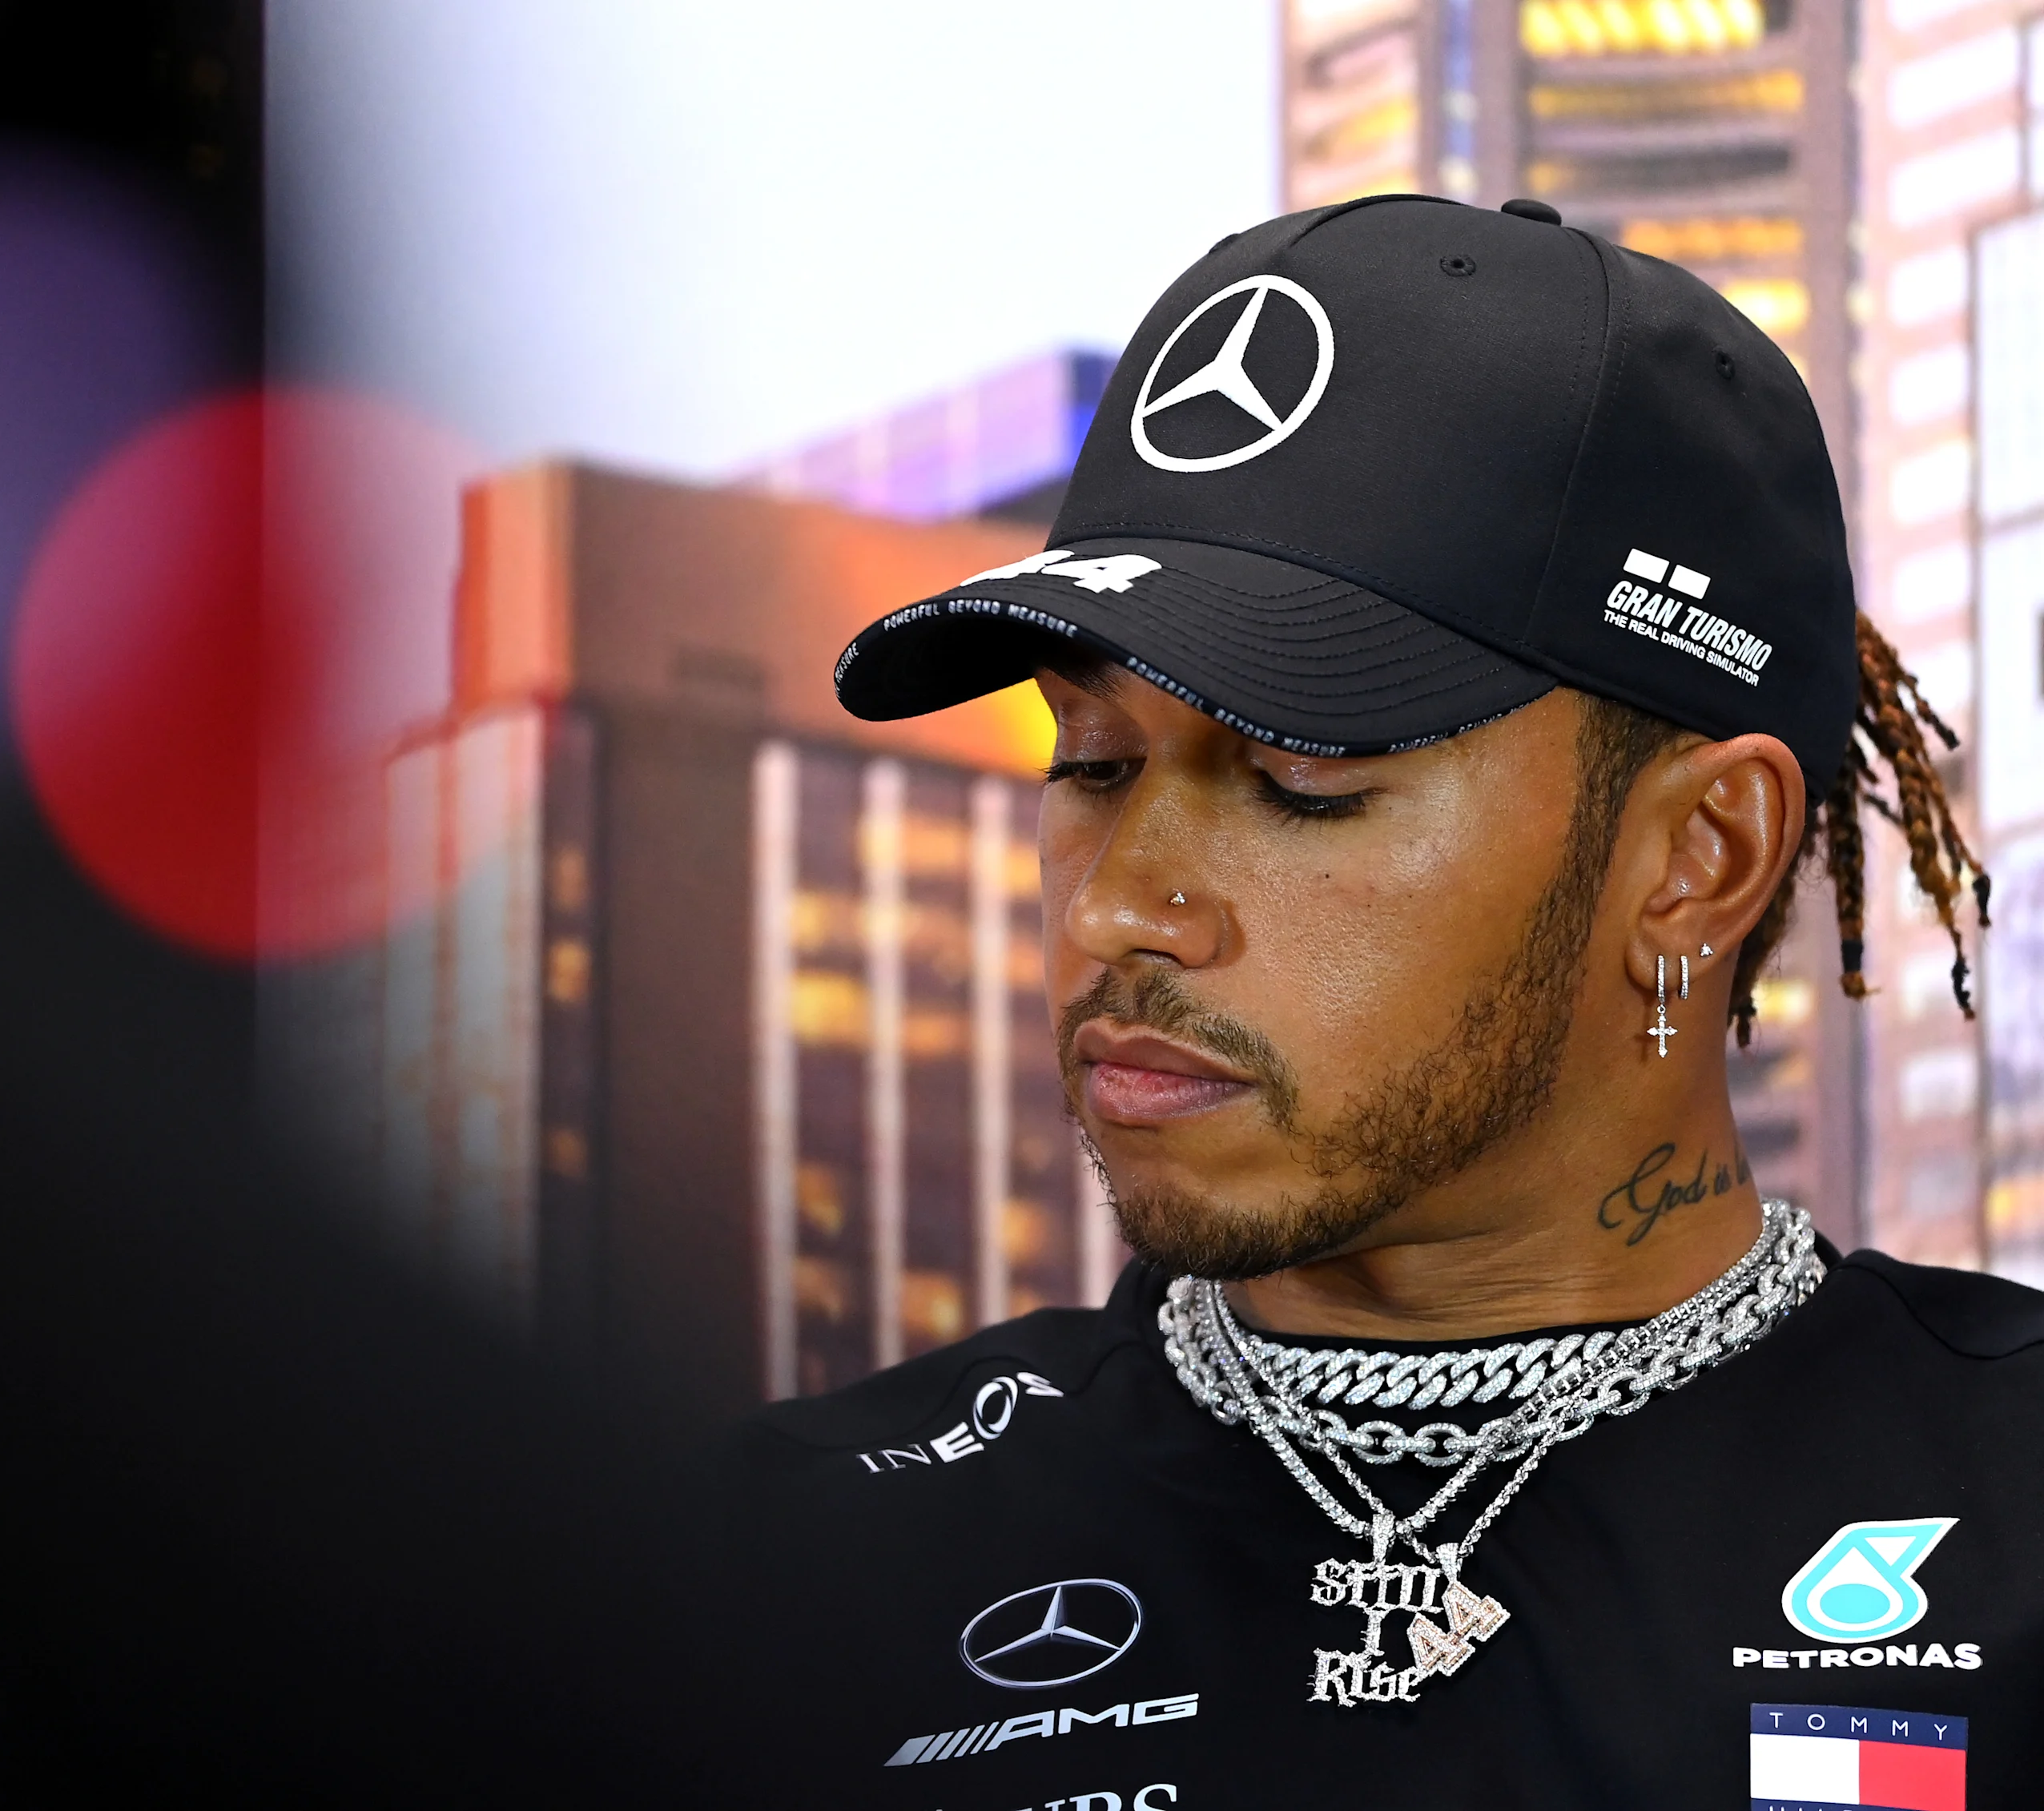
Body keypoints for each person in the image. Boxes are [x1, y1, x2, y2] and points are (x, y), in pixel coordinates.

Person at [695, 195, 2041, 1810]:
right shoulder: (773, 1571)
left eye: (1299, 777)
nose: (1120, 899)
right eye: (1091, 759)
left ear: (1696, 853)